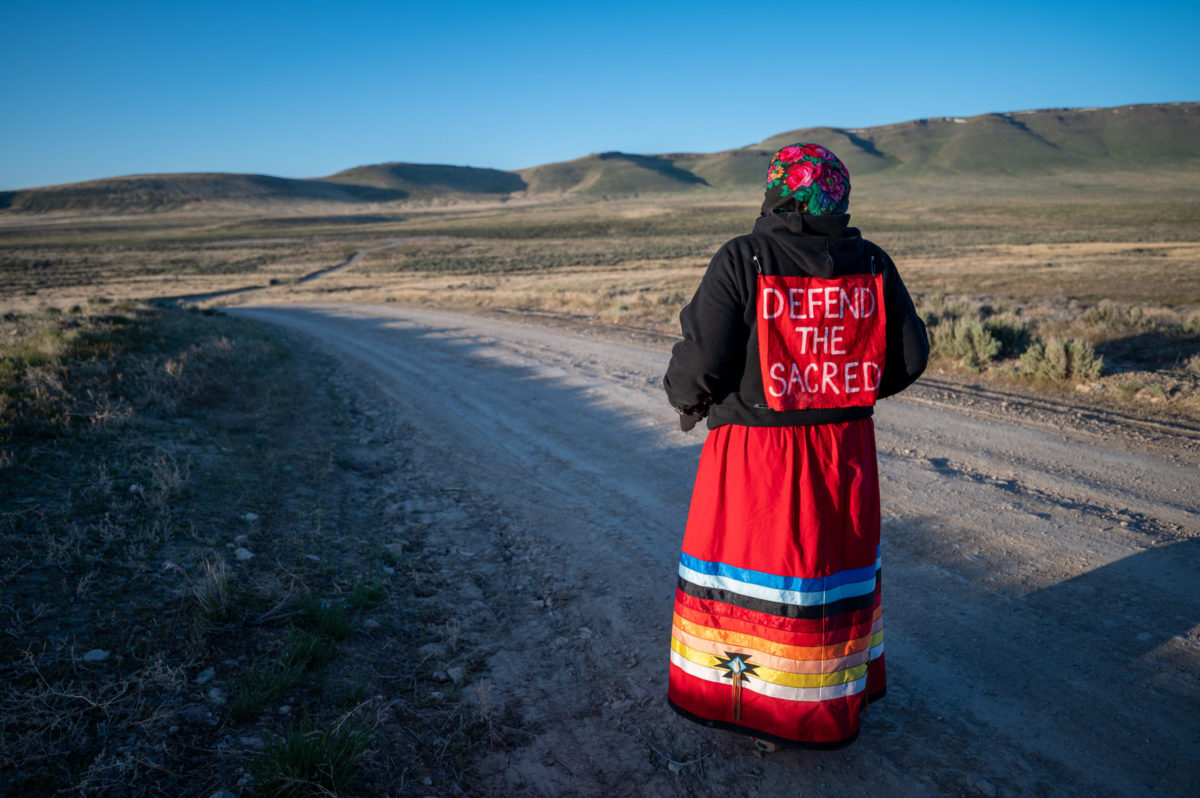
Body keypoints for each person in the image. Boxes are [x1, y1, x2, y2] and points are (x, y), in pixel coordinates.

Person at [663, 143, 928, 751]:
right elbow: (909, 358)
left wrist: (687, 402)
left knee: (759, 577)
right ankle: (823, 697)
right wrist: (846, 385)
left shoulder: (744, 257)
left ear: (778, 191)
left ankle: (752, 702)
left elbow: (700, 362)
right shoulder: (872, 262)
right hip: (846, 451)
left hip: (758, 458)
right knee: (828, 575)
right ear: (838, 195)